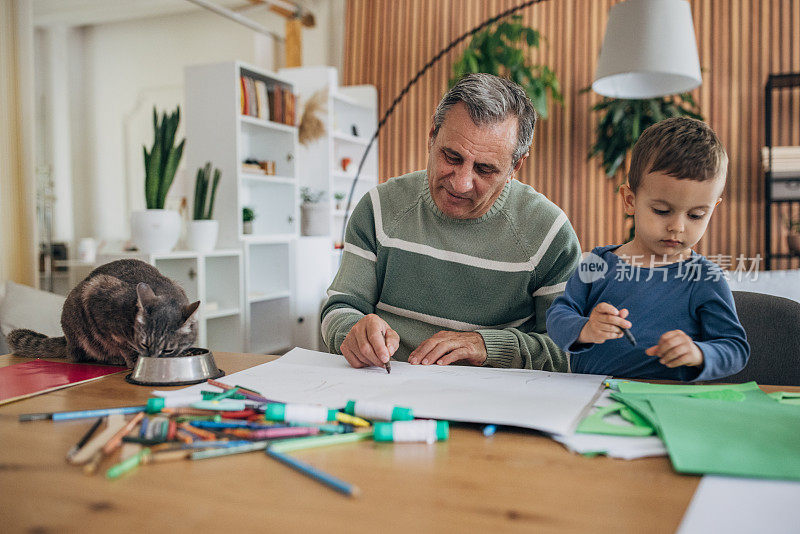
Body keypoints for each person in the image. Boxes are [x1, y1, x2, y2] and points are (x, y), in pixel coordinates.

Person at [321, 73, 581, 370]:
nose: (461, 184)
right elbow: (340, 308)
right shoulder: (379, 208)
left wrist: (488, 346)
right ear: (432, 137)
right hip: (387, 389)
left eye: (485, 169)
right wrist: (352, 332)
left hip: (492, 404)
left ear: (515, 166)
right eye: (451, 157)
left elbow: (572, 350)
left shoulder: (549, 233)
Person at [546, 117, 749, 381]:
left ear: (713, 209)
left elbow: (735, 348)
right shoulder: (597, 263)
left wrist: (699, 353)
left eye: (696, 215)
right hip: (590, 397)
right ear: (630, 201)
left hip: (668, 404)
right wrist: (586, 328)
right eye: (662, 211)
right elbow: (557, 317)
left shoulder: (704, 277)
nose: (677, 227)